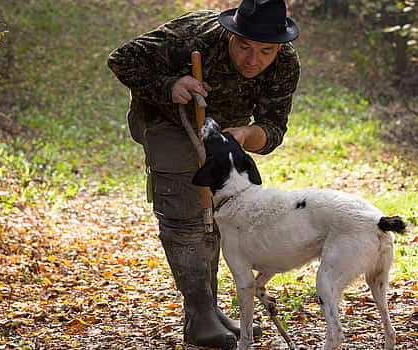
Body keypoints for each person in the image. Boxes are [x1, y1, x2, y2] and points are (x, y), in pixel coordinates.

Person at [107, 0, 300, 348]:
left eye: (265, 51)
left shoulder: (285, 63)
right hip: (166, 119)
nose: (252, 60)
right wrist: (170, 84)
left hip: (221, 133)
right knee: (186, 207)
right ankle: (199, 315)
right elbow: (121, 58)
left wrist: (245, 136)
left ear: (279, 47)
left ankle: (209, 308)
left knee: (218, 211)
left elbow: (272, 127)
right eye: (244, 46)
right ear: (231, 34)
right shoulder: (193, 35)